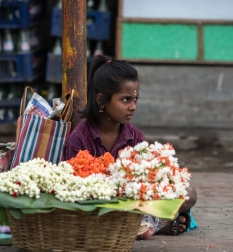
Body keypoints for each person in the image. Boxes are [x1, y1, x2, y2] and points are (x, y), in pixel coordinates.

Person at [62, 54, 197, 237]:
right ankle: (150, 226)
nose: (133, 107)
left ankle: (142, 225)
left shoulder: (135, 137)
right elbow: (72, 192)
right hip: (94, 206)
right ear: (101, 99)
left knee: (189, 193)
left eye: (135, 100)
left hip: (132, 204)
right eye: (126, 100)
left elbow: (147, 185)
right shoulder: (79, 138)